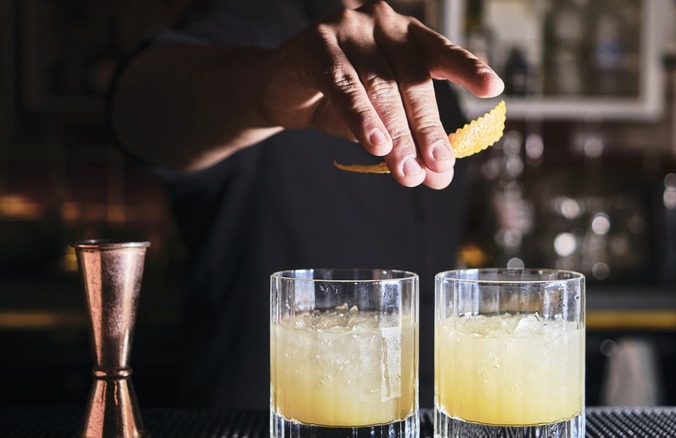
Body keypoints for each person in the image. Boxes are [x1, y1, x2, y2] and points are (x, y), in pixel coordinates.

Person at [109, 0, 503, 409]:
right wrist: (266, 87)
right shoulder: (254, 25)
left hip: (408, 410)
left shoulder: (423, 58)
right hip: (258, 419)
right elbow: (137, 108)